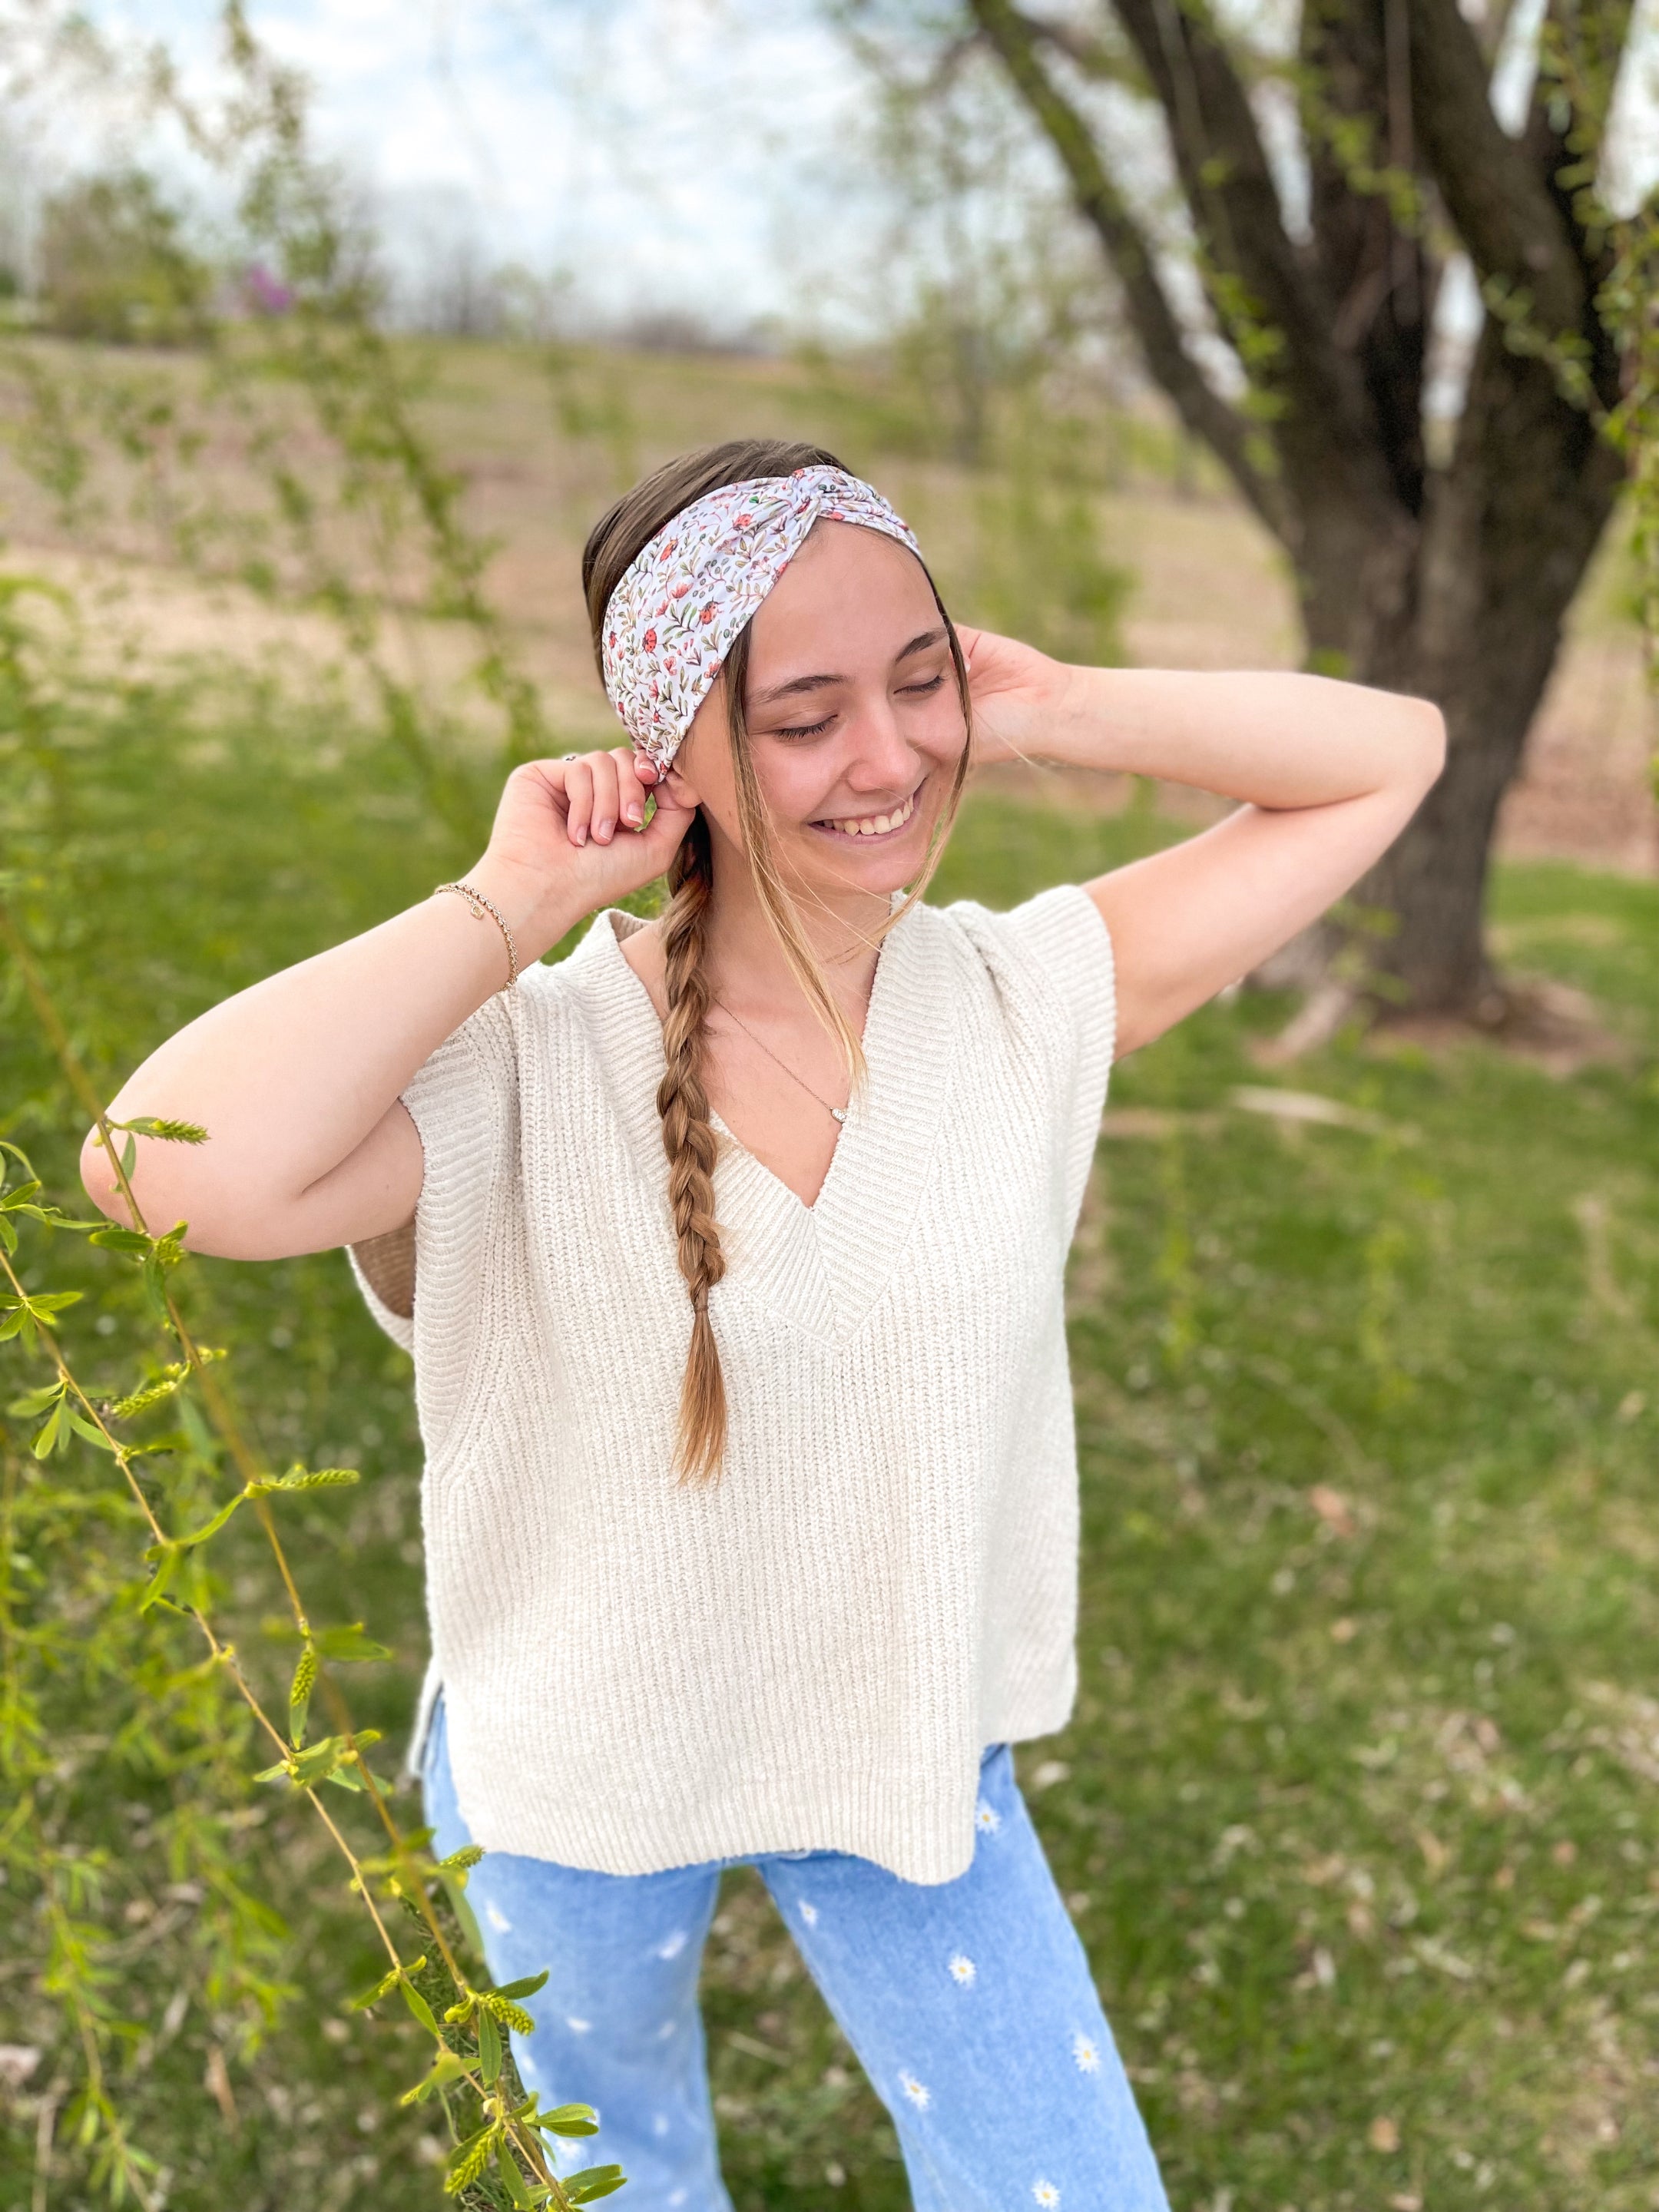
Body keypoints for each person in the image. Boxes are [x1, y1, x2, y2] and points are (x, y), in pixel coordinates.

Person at [84, 438, 1444, 2209]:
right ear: (681, 750)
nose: (887, 758)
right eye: (804, 714)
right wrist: (510, 906)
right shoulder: (527, 1064)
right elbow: (156, 1166)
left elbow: (1388, 759)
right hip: (577, 1764)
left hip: (900, 1745)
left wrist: (1047, 707)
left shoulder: (1026, 999)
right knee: (624, 2178)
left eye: (917, 680)